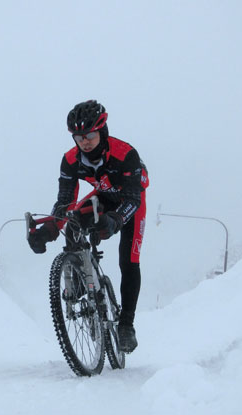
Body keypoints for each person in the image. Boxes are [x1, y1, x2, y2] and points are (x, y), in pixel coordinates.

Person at [27, 99, 148, 353]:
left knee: (129, 261)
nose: (85, 141)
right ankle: (83, 281)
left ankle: (126, 325)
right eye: (79, 137)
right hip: (103, 195)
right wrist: (48, 231)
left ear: (102, 131)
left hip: (130, 202)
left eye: (90, 135)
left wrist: (114, 221)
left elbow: (133, 199)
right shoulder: (70, 160)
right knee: (72, 223)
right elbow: (64, 202)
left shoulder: (125, 154)